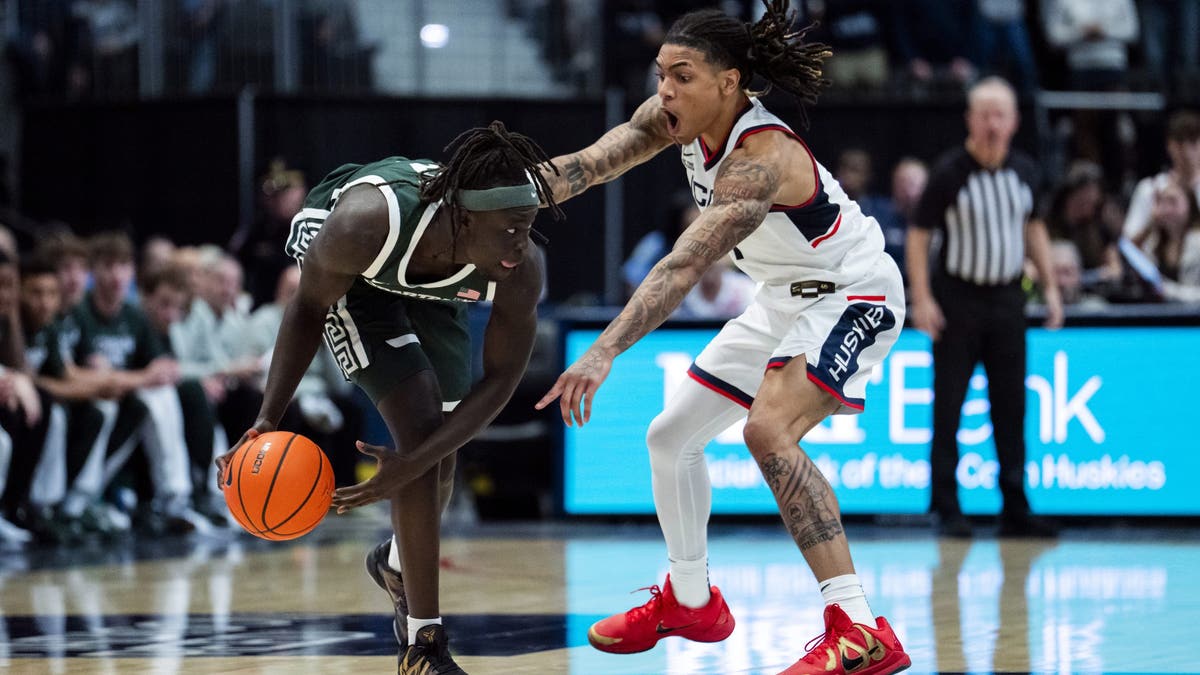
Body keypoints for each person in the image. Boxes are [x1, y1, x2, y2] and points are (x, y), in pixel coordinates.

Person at [534, 4, 911, 674]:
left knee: (767, 431)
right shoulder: (670, 120)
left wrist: (604, 350)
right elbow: (586, 166)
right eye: (660, 75)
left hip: (851, 291)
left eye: (682, 76)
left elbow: (683, 266)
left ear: (730, 83)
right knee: (669, 438)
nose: (665, 91)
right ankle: (690, 599)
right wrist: (492, 193)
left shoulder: (760, 158)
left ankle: (860, 629)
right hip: (782, 298)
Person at [213, 121, 563, 675]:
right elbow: (306, 309)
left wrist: (413, 466)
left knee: (436, 456)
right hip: (356, 273)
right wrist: (265, 419)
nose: (524, 243)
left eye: (529, 227)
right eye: (513, 229)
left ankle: (396, 563)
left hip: (437, 280)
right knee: (421, 430)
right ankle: (424, 647)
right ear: (465, 218)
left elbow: (498, 382)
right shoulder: (364, 223)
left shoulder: (519, 268)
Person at [905, 77, 1063, 540]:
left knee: (1011, 406)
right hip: (958, 299)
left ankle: (1015, 504)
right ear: (971, 120)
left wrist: (1051, 288)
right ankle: (947, 506)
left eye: (1001, 115)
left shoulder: (1025, 171)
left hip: (1008, 299)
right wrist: (923, 298)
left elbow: (1035, 230)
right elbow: (919, 236)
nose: (993, 123)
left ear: (1014, 122)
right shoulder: (949, 172)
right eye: (985, 114)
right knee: (949, 406)